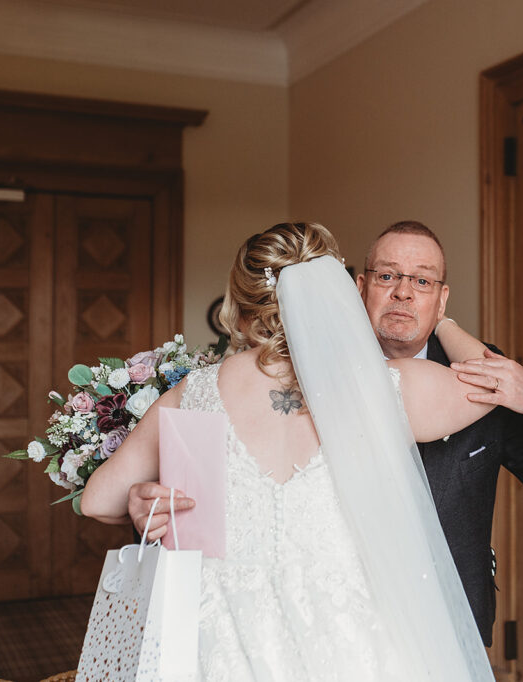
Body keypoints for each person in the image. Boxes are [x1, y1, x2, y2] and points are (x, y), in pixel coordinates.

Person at [130, 220, 523, 647]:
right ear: (358, 286)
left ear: (442, 296)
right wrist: (154, 504)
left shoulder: (481, 376)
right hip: (329, 622)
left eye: (423, 281)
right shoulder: (287, 375)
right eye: (388, 276)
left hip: (450, 620)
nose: (404, 294)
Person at [81, 222, 500, 680]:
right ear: (335, 294)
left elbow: (96, 500)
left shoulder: (195, 393)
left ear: (238, 301)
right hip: (347, 638)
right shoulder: (383, 389)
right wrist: (442, 318)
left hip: (223, 641)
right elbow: (494, 378)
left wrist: (145, 499)